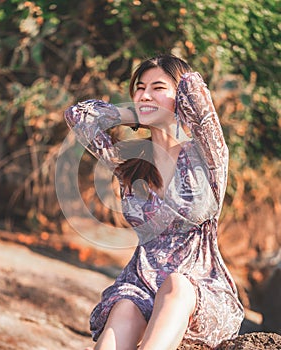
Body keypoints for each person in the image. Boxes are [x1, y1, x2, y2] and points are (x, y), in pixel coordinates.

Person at [64, 54, 244, 350]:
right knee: (123, 309)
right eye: (139, 87)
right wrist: (136, 112)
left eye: (158, 87)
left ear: (179, 97)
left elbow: (193, 86)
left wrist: (168, 104)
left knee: (175, 284)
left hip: (198, 290)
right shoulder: (131, 162)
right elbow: (78, 116)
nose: (145, 94)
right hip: (140, 287)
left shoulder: (208, 157)